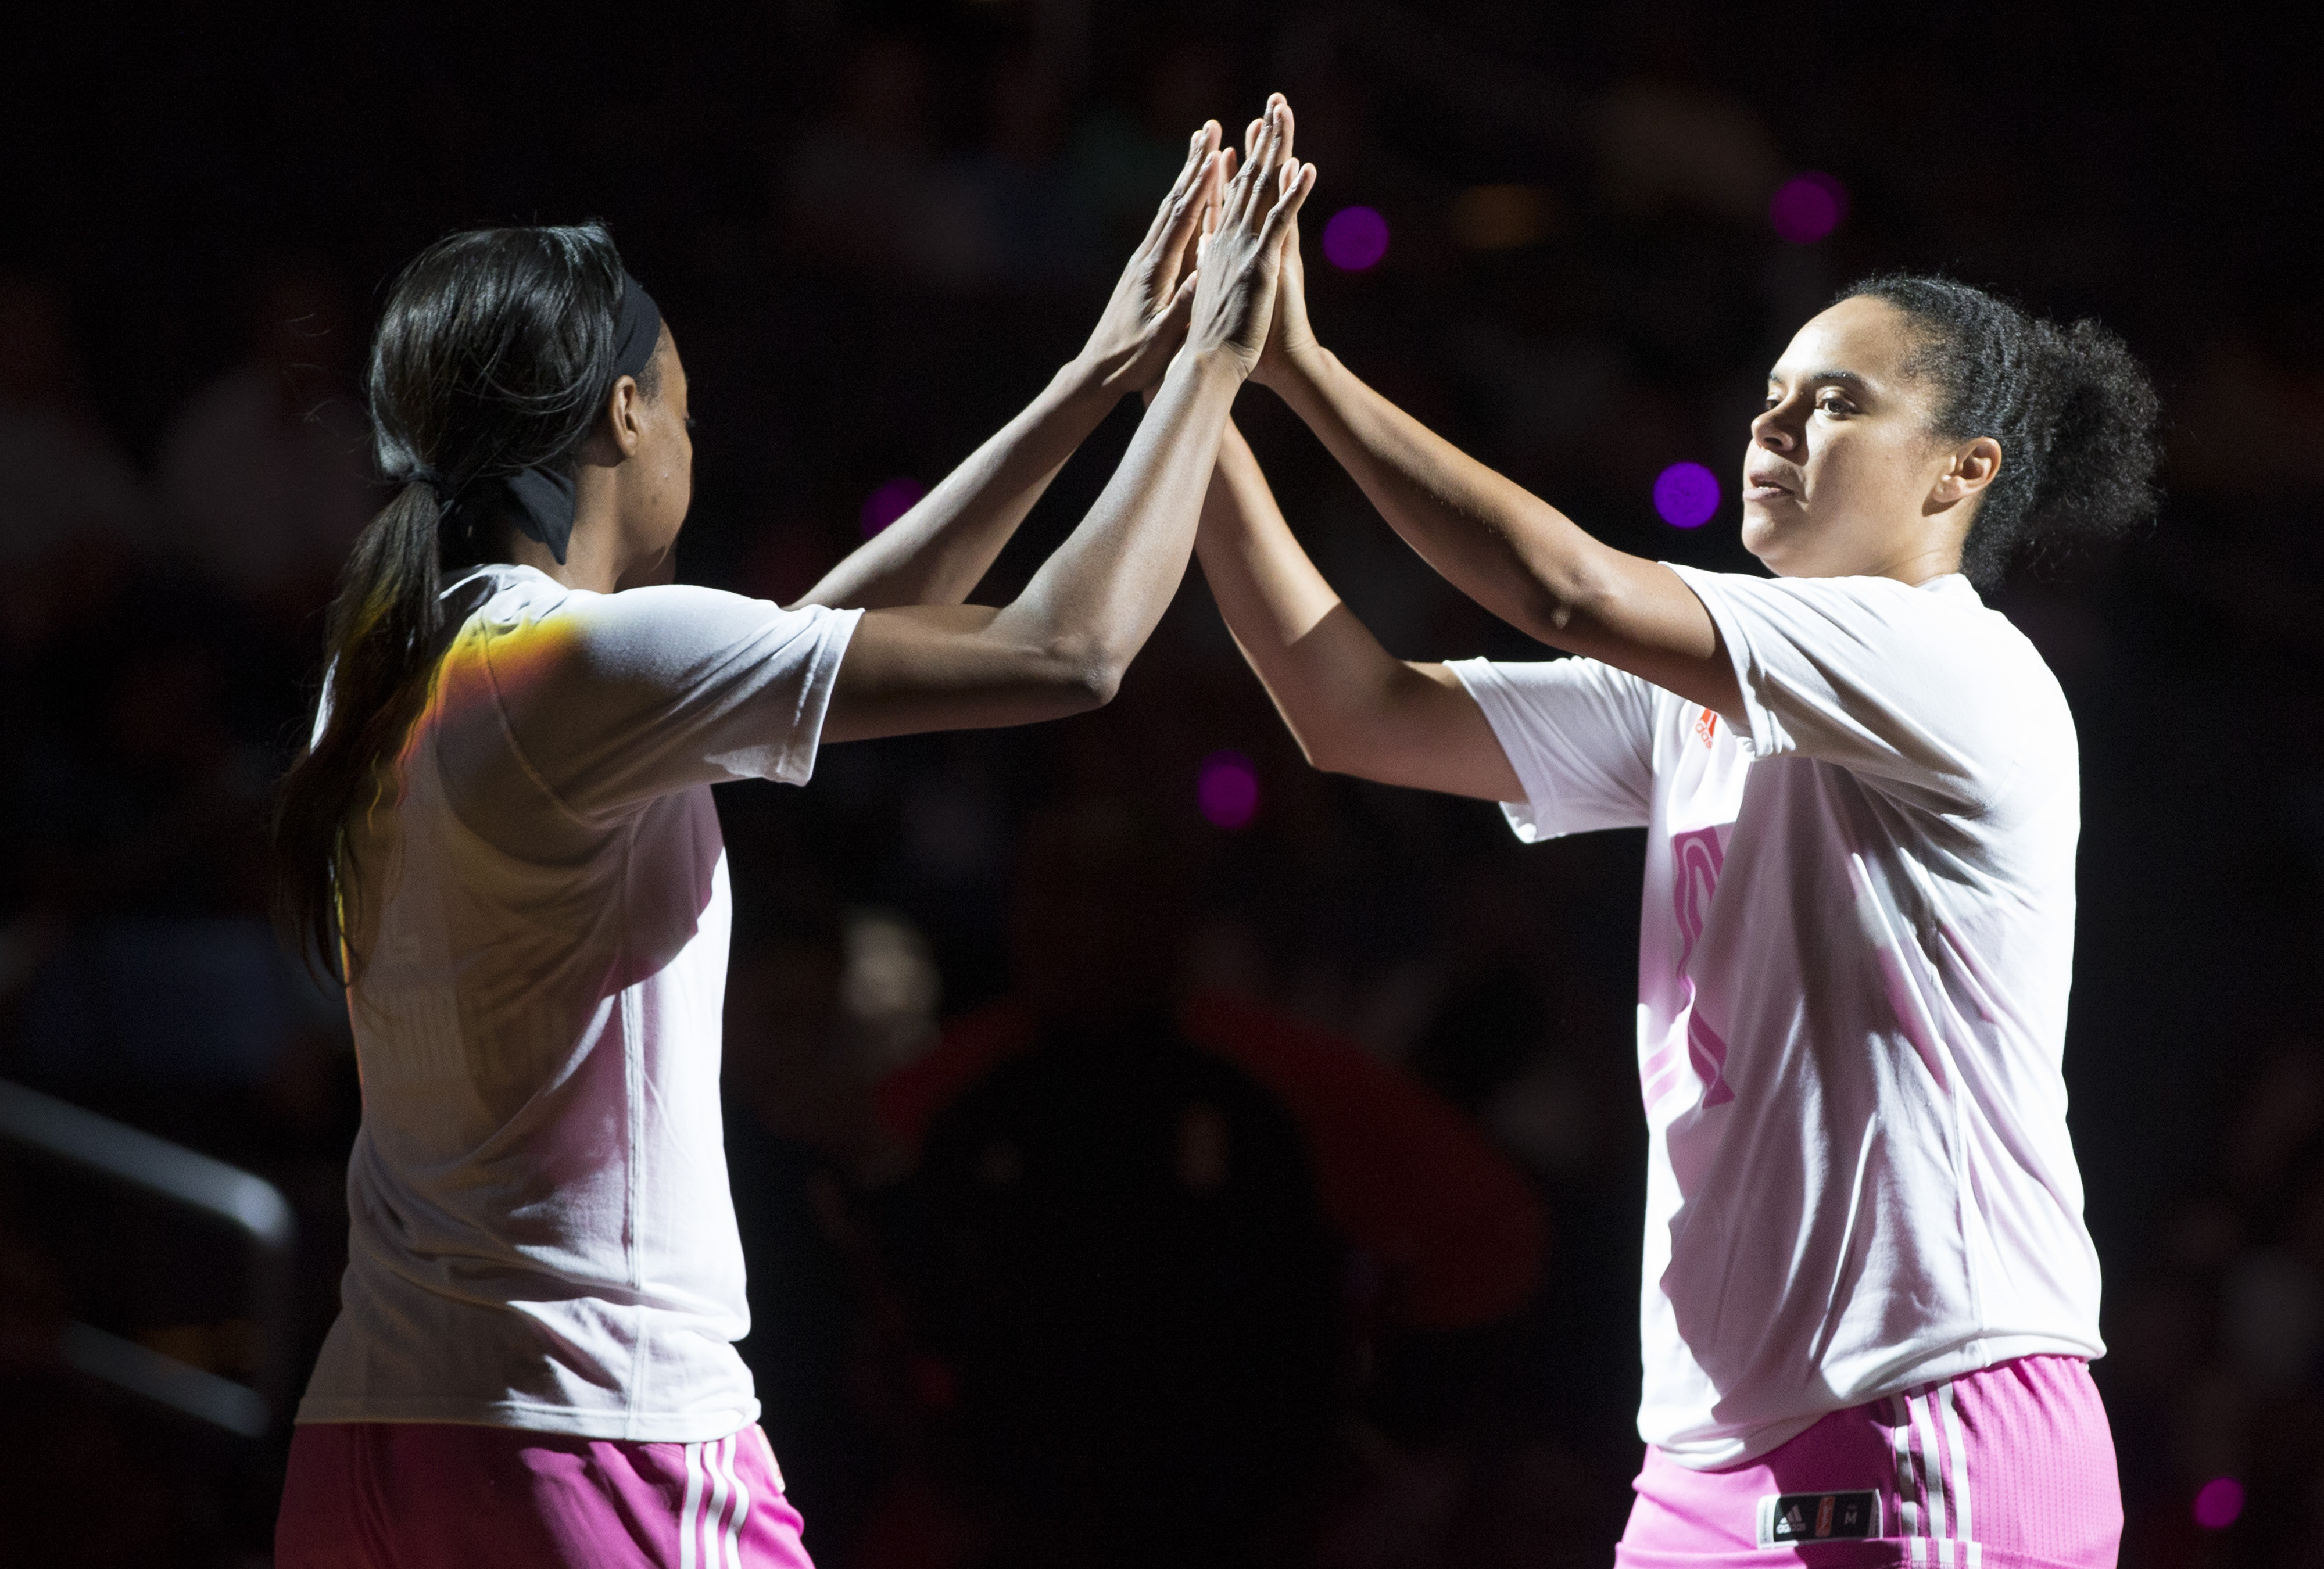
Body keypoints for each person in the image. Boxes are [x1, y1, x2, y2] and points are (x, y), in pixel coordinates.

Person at [270, 102, 1314, 1568]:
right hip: (593, 1439)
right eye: (682, 403)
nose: (692, 437)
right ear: (623, 414)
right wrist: (1210, 364)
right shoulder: (576, 662)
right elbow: (1068, 652)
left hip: (367, 1446)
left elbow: (832, 640)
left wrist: (1091, 382)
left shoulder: (385, 675)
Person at [1194, 132, 2159, 1568]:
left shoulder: (1954, 664)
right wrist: (1191, 403)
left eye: (1833, 406)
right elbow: (1358, 713)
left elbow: (1564, 587)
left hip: (1921, 1412)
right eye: (1768, 398)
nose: (1770, 429)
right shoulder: (1699, 703)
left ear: (1962, 471)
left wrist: (1295, 368)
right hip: (1709, 1453)